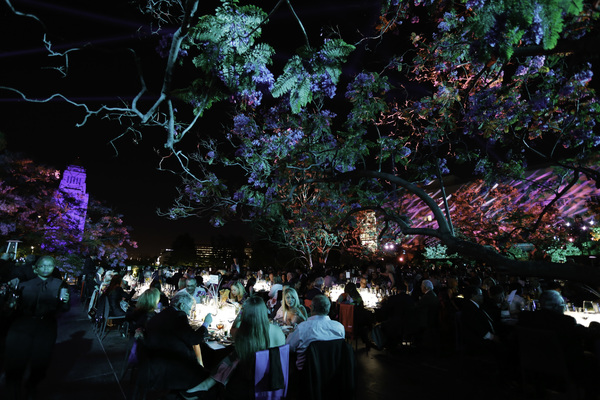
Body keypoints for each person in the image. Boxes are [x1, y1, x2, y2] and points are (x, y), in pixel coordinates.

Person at [186, 296, 285, 397]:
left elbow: (232, 329)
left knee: (232, 357)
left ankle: (206, 385)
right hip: (272, 375)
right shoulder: (278, 331)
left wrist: (240, 314)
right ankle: (205, 385)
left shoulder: (241, 334)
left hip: (248, 379)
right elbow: (280, 356)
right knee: (233, 357)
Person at [3, 255, 70, 400]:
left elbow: (64, 308)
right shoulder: (23, 285)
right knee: (16, 360)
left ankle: (31, 386)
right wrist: (10, 303)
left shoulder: (59, 284)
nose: (46, 268)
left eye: (50, 265)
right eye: (42, 266)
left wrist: (65, 302)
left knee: (41, 361)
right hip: (22, 325)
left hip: (45, 326)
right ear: (35, 268)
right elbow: (11, 308)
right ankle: (13, 391)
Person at [143, 290, 212, 392]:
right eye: (190, 309)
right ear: (182, 305)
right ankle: (193, 393)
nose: (189, 313)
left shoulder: (165, 313)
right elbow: (194, 339)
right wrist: (206, 323)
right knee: (210, 376)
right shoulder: (178, 317)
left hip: (156, 363)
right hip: (172, 369)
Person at [286, 294, 345, 370]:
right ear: (328, 309)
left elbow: (288, 347)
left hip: (306, 374)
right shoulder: (339, 327)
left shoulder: (302, 328)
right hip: (333, 372)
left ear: (312, 308)